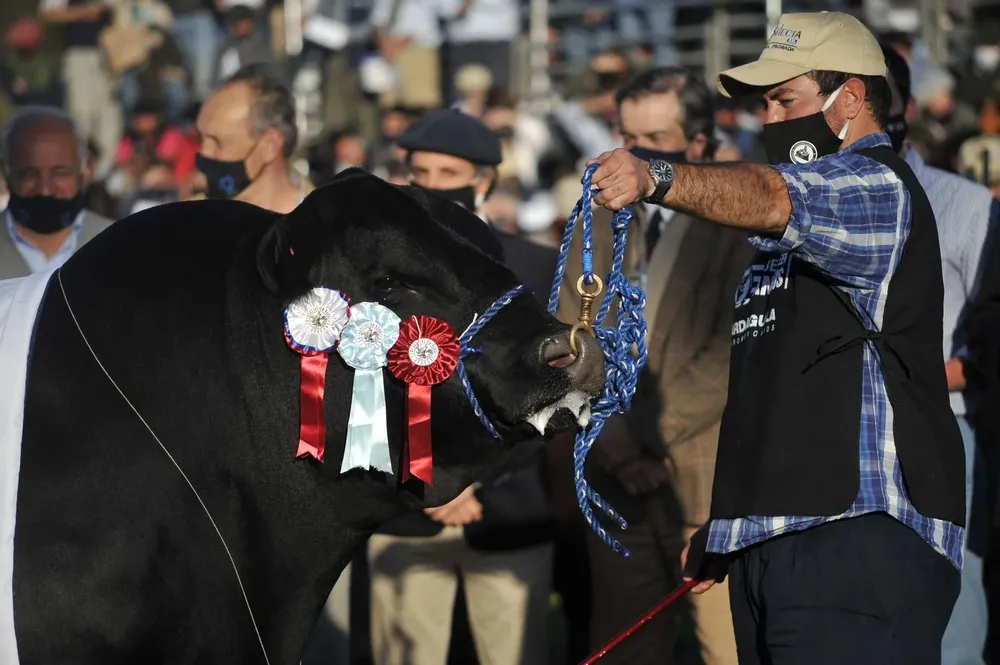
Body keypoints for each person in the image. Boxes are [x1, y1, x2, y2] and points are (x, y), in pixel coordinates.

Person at [587, 12, 964, 662]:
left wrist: (659, 176)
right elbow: (772, 383)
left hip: (856, 542)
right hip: (769, 544)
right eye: (762, 104)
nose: (768, 118)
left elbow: (772, 195)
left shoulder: (877, 186)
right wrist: (732, 520)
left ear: (851, 97)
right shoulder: (777, 245)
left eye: (783, 98)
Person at [556, 66, 750, 665]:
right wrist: (611, 439)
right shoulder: (598, 214)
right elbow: (569, 333)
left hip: (706, 481)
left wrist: (643, 437)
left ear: (698, 143)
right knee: (624, 650)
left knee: (728, 651)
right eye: (626, 137)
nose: (636, 156)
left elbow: (730, 351)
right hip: (617, 481)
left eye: (657, 142)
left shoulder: (740, 210)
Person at [366, 108, 556, 665]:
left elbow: (549, 393)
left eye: (447, 174)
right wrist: (432, 484)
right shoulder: (375, 273)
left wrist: (473, 483)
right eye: (418, 174)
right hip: (406, 511)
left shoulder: (536, 269)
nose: (429, 187)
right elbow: (367, 390)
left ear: (484, 181)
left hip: (506, 510)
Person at [882, 42, 993, 665]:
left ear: (907, 107)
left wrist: (921, 374)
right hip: (844, 432)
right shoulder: (800, 202)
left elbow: (991, 337)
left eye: (877, 96)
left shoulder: (966, 205)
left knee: (953, 611)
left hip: (945, 428)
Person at [0, 105, 113, 279]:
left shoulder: (119, 243)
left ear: (87, 170)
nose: (45, 190)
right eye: (29, 174)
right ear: (7, 173)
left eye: (60, 173)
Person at [195, 65, 311, 213]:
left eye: (218, 142)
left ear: (270, 146)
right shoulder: (185, 225)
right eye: (201, 139)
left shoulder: (329, 229)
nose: (205, 153)